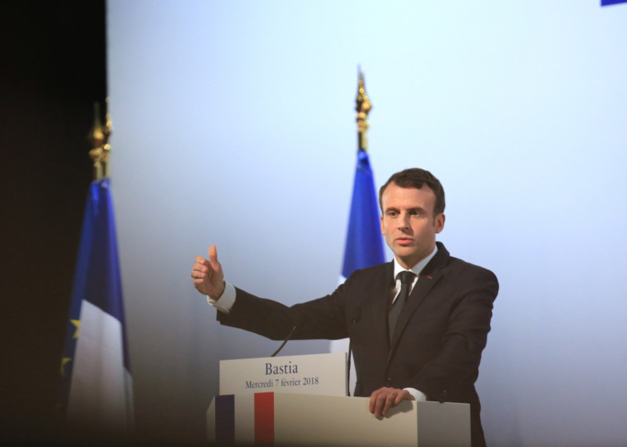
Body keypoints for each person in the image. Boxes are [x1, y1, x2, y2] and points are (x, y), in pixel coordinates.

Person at [191, 168, 498, 447]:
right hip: (369, 432)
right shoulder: (362, 283)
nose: (402, 224)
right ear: (381, 223)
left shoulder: (471, 281)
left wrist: (412, 394)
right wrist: (222, 293)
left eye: (415, 213)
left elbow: (460, 352)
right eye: (393, 213)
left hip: (442, 434)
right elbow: (289, 321)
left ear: (438, 222)